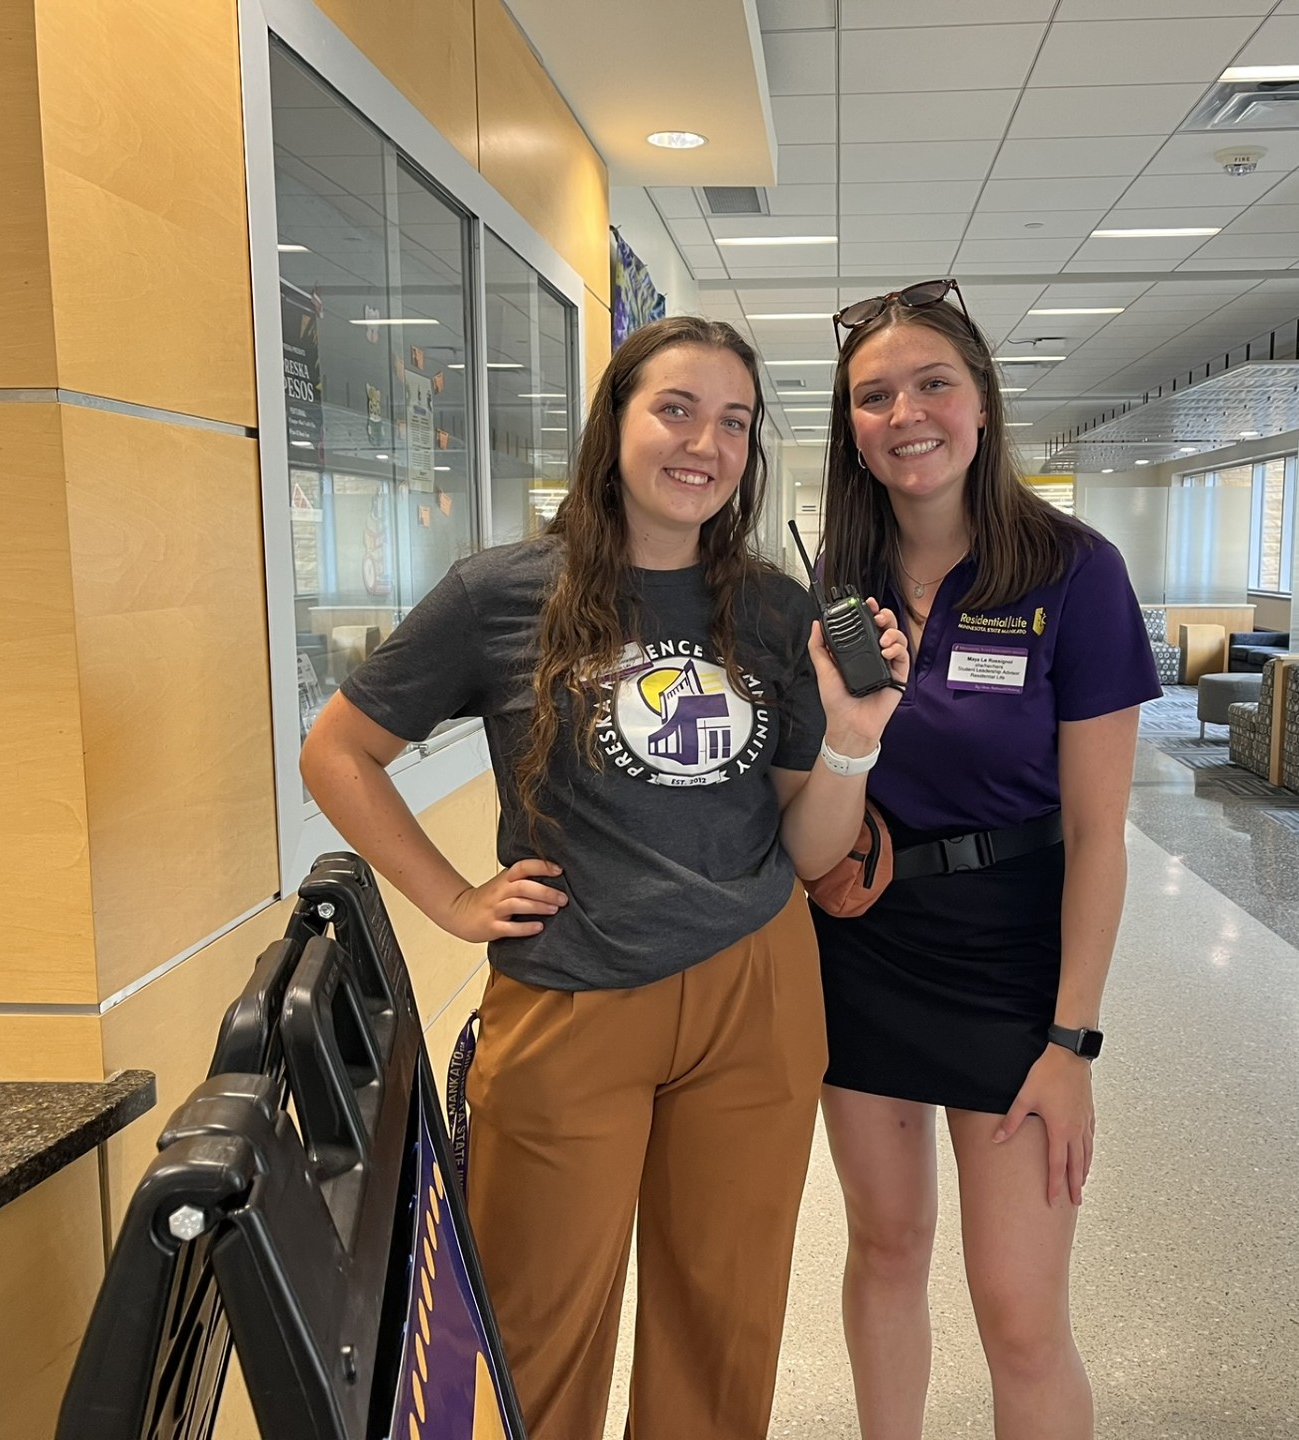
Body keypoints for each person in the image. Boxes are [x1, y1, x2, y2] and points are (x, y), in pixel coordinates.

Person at [300, 314, 907, 1440]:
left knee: (724, 1324)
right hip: (572, 992)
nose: (705, 444)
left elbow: (816, 849)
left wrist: (856, 735)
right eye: (676, 409)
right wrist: (450, 900)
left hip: (756, 991)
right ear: (615, 422)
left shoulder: (773, 609)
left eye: (733, 421)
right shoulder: (503, 593)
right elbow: (338, 752)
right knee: (534, 1326)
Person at [809, 280, 1161, 1440]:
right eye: (875, 396)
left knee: (1018, 1311)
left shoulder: (1072, 571)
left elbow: (1101, 835)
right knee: (886, 1246)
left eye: (933, 384)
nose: (906, 412)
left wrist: (1072, 1040)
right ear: (852, 430)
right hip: (858, 947)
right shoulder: (828, 591)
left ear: (982, 405)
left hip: (1015, 959)